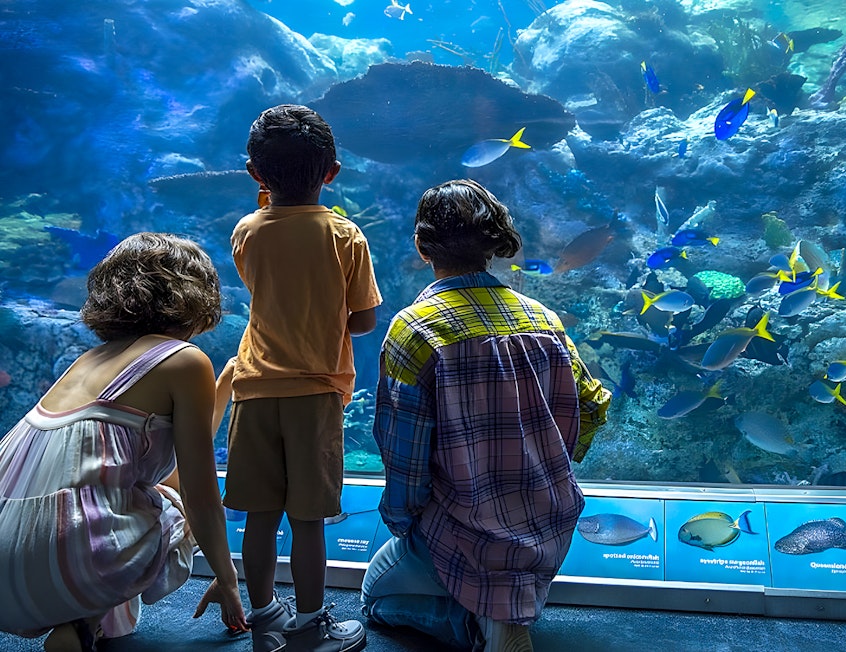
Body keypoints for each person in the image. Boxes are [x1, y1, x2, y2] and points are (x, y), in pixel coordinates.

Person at [361, 179, 612, 651]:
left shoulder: (414, 329)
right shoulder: (543, 320)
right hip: (548, 527)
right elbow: (595, 402)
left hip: (463, 532)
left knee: (372, 597)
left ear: (421, 244)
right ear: (495, 243)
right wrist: (550, 462)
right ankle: (504, 614)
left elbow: (403, 455)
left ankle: (475, 627)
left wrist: (404, 522)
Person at [0, 232, 247, 651]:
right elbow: (198, 490)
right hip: (70, 557)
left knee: (134, 496)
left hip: (9, 568)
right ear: (196, 292)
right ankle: (83, 615)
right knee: (170, 507)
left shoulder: (89, 359)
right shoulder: (183, 360)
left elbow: (165, 460)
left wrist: (221, 391)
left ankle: (81, 624)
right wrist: (228, 581)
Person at [223, 104, 382, 652]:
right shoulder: (345, 235)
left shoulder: (247, 230)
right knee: (309, 518)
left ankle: (263, 614)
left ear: (254, 174)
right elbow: (363, 320)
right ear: (332, 172)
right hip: (315, 392)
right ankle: (312, 624)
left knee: (261, 515)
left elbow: (263, 280)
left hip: (254, 388)